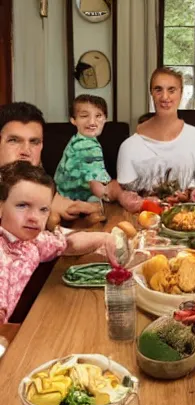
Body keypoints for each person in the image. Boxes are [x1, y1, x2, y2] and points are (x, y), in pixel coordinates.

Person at [0, 161, 118, 324]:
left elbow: (67, 243)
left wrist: (104, 238)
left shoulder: (35, 240)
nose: (34, 217)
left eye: (43, 210)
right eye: (22, 205)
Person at [116, 67, 195, 194]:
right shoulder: (129, 147)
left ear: (181, 93)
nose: (165, 97)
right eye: (158, 90)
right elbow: (123, 197)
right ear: (151, 93)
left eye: (172, 90)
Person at [0, 101, 101, 221]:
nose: (26, 151)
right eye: (14, 140)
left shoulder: (42, 184)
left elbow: (72, 207)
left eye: (34, 142)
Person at [53, 95, 140, 212]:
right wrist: (120, 193)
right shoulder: (87, 145)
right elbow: (99, 188)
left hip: (64, 197)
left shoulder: (77, 140)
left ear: (105, 119)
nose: (92, 122)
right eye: (84, 116)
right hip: (72, 203)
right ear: (73, 120)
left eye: (98, 116)